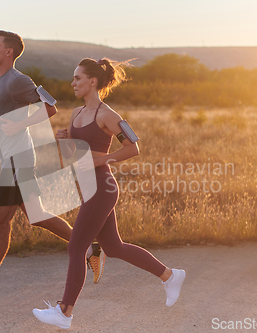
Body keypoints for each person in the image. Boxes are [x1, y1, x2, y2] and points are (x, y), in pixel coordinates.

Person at [0, 31, 105, 306]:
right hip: (9, 158)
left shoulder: (18, 81)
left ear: (8, 52)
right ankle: (89, 246)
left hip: (18, 159)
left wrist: (21, 124)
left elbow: (51, 107)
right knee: (37, 215)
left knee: (0, 222)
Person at [32, 58, 186, 329]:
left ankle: (65, 312)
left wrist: (103, 160)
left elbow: (133, 147)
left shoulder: (107, 114)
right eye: (73, 78)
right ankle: (170, 276)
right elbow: (74, 156)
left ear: (93, 81)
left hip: (102, 188)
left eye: (78, 78)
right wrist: (65, 140)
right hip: (88, 188)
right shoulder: (77, 114)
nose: (73, 83)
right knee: (113, 248)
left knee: (76, 247)